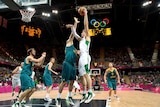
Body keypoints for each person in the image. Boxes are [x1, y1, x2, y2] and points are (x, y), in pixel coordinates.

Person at [70, 7, 95, 103]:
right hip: (81, 58)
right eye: (82, 32)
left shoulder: (87, 37)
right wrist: (75, 23)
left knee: (86, 74)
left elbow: (86, 25)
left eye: (83, 31)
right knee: (81, 76)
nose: (82, 32)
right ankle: (84, 93)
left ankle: (91, 92)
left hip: (85, 57)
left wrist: (85, 14)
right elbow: (74, 32)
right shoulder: (80, 40)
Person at [55, 17, 80, 106]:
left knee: (72, 81)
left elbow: (79, 53)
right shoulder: (68, 43)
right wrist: (75, 23)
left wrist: (80, 53)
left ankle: (69, 97)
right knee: (64, 81)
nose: (71, 38)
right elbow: (73, 33)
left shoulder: (75, 49)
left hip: (73, 65)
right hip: (67, 64)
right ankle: (58, 97)